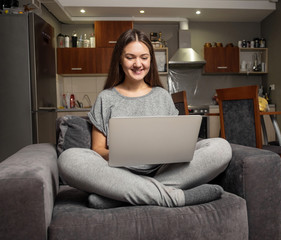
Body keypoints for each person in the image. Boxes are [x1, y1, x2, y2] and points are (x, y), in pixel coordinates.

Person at [58, 29, 232, 209]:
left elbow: (176, 143)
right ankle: (172, 196)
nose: (138, 64)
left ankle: (120, 196)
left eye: (144, 57)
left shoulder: (162, 96)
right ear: (119, 59)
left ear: (151, 60)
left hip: (162, 170)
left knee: (221, 148)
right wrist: (122, 155)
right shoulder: (106, 98)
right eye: (130, 57)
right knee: (68, 159)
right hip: (118, 173)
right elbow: (98, 149)